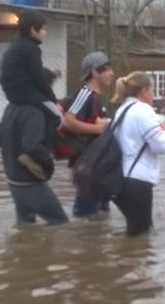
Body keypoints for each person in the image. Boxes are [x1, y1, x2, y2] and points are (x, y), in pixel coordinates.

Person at [0, 67, 68, 225]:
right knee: (61, 224)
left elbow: (0, 140)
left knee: (26, 226)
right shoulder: (34, 111)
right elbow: (33, 145)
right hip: (30, 183)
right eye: (50, 87)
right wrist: (48, 164)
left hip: (13, 180)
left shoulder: (11, 106)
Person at [110, 71, 165, 236]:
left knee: (138, 235)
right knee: (141, 236)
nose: (153, 94)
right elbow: (161, 146)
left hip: (120, 180)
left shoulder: (123, 110)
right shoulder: (142, 111)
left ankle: (125, 259)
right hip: (137, 182)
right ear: (144, 91)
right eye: (152, 90)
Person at [59, 51, 114, 217]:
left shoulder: (96, 97)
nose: (112, 73)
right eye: (107, 69)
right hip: (86, 166)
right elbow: (68, 121)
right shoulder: (85, 94)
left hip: (96, 165)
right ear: (95, 72)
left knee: (100, 217)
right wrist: (99, 129)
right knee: (85, 216)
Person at [0, 8, 63, 130]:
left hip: (12, 95)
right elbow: (38, 77)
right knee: (58, 118)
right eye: (43, 28)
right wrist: (52, 99)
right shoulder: (32, 49)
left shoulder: (14, 47)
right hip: (27, 95)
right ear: (33, 30)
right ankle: (42, 146)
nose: (45, 32)